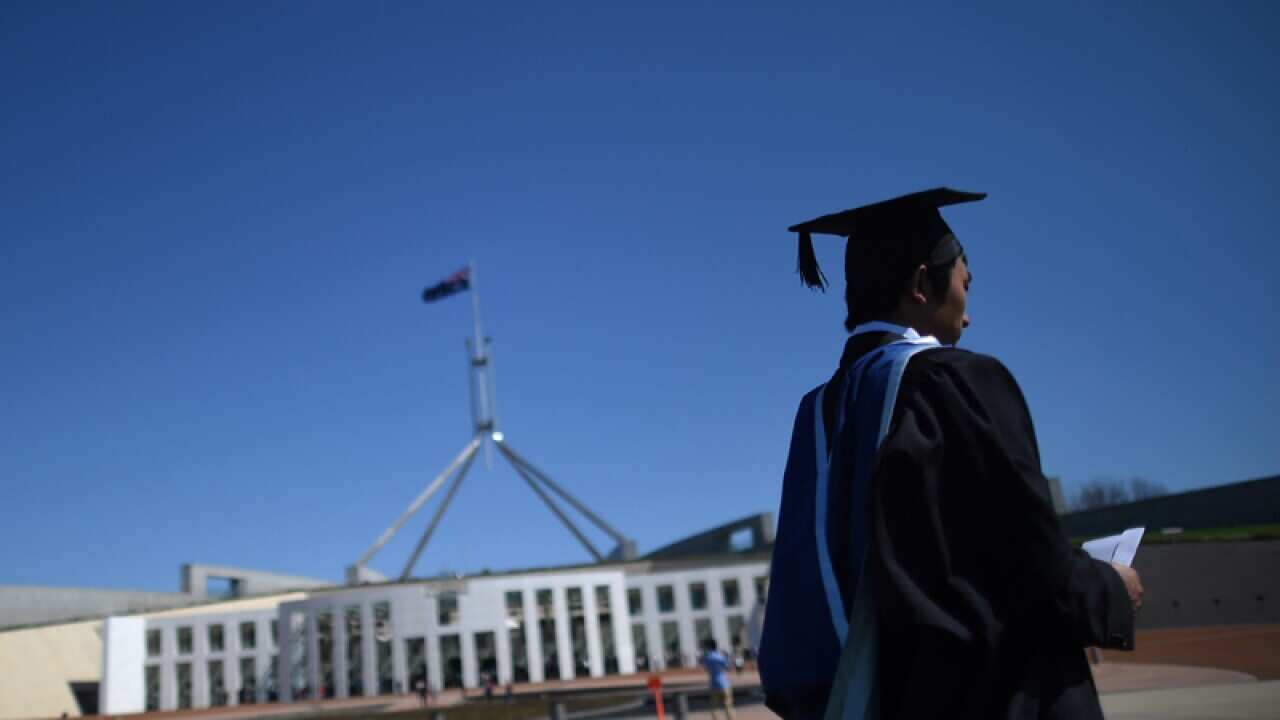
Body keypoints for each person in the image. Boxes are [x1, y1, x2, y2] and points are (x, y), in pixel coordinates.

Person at [758, 188, 1143, 720]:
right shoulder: (957, 381)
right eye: (965, 283)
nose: (969, 314)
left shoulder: (819, 412)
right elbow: (1030, 563)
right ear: (921, 284)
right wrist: (1109, 590)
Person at [701, 638, 736, 720]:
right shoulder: (720, 656)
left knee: (714, 707)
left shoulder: (707, 657)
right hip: (724, 683)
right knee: (728, 706)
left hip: (713, 684)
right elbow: (728, 667)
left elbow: (706, 668)